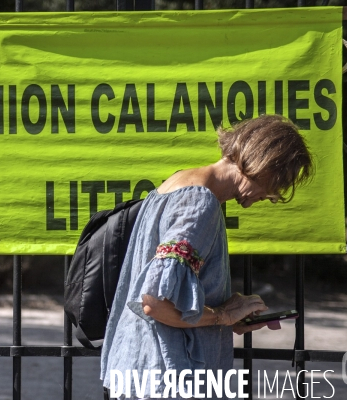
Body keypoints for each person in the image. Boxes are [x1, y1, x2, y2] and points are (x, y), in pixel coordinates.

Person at [100, 114, 314, 399]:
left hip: (144, 371)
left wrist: (225, 310)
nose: (273, 195)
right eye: (279, 183)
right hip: (169, 378)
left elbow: (167, 295)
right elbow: (154, 303)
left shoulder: (178, 183)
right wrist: (223, 316)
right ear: (264, 164)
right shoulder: (201, 204)